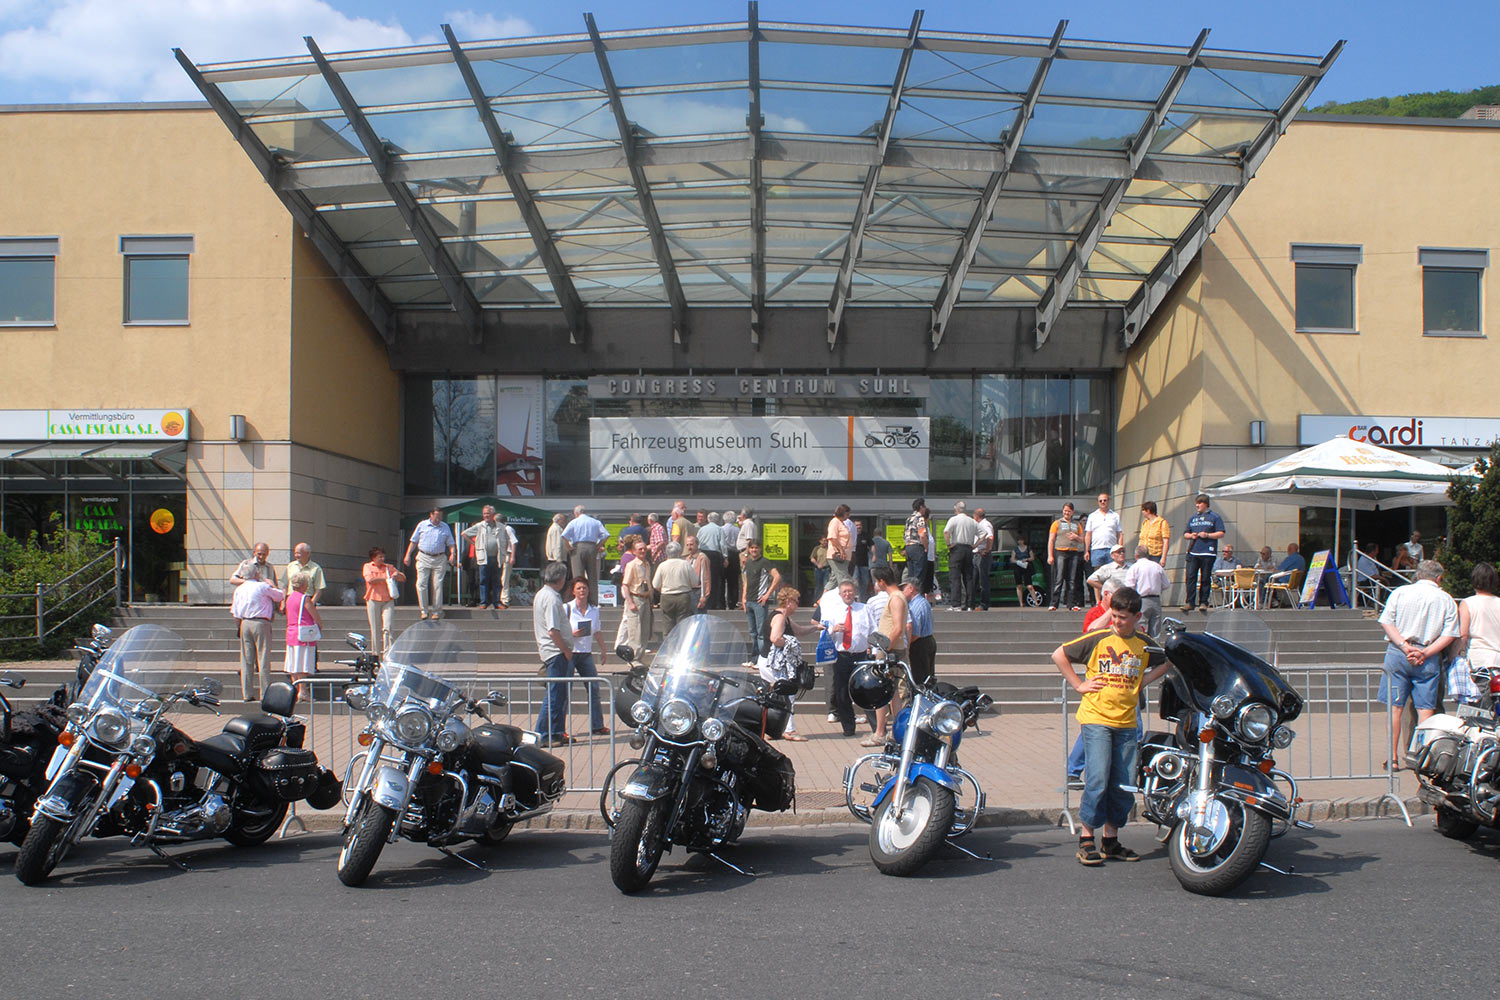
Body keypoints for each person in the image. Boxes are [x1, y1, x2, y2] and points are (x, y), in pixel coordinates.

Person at [1051, 586, 1170, 866]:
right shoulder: (1099, 638)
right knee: (1097, 779)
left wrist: (1142, 683)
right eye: (1114, 616)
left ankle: (1110, 840)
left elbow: (1167, 661)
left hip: (1127, 722)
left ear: (1137, 616)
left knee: (1124, 783)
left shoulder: (1144, 642)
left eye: (1123, 617)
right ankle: (1086, 839)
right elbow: (1059, 654)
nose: (1117, 622)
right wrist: (1079, 685)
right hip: (1097, 719)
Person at [1378, 560, 1460, 769]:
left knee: (1395, 708)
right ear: (1439, 578)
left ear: (1418, 574)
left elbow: (1387, 621)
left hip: (1398, 653)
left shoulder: (1400, 592)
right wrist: (1426, 652)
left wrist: (1405, 646)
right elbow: (1450, 634)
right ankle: (1423, 757)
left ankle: (1393, 757)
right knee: (1426, 709)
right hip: (1428, 655)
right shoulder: (1446, 599)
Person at [537, 578, 608, 743]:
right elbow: (557, 629)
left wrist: (603, 649)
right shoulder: (566, 608)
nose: (582, 591)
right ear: (573, 591)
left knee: (594, 688)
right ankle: (560, 730)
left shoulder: (594, 610)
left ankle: (597, 725)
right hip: (570, 653)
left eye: (585, 588)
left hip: (586, 653)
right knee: (563, 693)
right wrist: (572, 634)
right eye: (579, 588)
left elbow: (597, 631)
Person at [761, 586, 819, 742]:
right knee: (788, 693)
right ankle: (789, 731)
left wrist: (816, 627)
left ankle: (773, 729)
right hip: (773, 663)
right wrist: (791, 643)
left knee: (777, 695)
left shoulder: (784, 617)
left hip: (768, 662)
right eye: (796, 601)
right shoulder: (780, 618)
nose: (798, 604)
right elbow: (775, 638)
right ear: (788, 602)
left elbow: (799, 630)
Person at [817, 578, 869, 739]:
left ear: (855, 593)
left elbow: (873, 629)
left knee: (865, 691)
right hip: (841, 655)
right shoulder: (833, 610)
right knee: (841, 693)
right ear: (840, 594)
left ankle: (875, 727)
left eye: (850, 591)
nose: (847, 594)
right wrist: (833, 629)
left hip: (861, 655)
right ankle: (848, 726)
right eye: (844, 592)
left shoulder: (864, 609)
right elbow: (823, 633)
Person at [531, 562, 575, 748]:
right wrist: (565, 650)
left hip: (553, 651)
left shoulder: (544, 594)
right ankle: (543, 734)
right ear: (561, 579)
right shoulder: (551, 598)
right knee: (554, 695)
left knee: (559, 695)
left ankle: (556, 732)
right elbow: (553, 630)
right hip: (555, 652)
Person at [866, 565, 909, 746]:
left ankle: (880, 732)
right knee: (892, 695)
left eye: (877, 581)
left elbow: (898, 628)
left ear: (881, 581)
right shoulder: (895, 597)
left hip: (890, 652)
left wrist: (885, 649)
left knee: (881, 693)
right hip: (890, 650)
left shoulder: (897, 598)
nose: (877, 584)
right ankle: (892, 733)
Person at [230, 575, 283, 702]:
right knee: (263, 658)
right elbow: (280, 596)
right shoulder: (263, 586)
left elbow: (235, 612)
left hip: (245, 623)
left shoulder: (239, 589)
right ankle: (264, 693)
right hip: (261, 622)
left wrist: (239, 627)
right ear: (256, 575)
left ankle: (247, 694)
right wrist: (272, 584)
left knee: (246, 660)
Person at [1457, 563, 1500, 704]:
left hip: (1479, 661)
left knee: (1478, 707)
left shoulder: (1468, 603)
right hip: (1498, 659)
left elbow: (1463, 634)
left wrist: (1453, 656)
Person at [404, 507, 456, 620]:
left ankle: (437, 611)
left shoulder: (445, 527)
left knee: (437, 585)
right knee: (421, 583)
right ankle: (424, 610)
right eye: (436, 516)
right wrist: (408, 555)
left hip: (439, 557)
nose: (438, 519)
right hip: (423, 556)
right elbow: (413, 541)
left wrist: (453, 554)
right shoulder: (422, 525)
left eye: (440, 517)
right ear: (431, 515)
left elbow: (451, 543)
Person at [281, 571, 321, 704]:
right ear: (304, 584)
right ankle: (303, 691)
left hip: (291, 632)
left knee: (293, 663)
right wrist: (320, 625)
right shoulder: (305, 598)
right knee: (302, 663)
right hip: (304, 633)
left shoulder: (289, 598)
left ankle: (296, 689)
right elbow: (314, 614)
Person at [1181, 494, 1225, 612]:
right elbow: (1185, 534)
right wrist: (1191, 535)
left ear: (1205, 504)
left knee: (1205, 578)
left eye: (1199, 503)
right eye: (1196, 503)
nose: (1197, 505)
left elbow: (1221, 533)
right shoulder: (1193, 518)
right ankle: (1190, 602)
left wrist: (1208, 535)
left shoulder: (1215, 517)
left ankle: (1203, 602)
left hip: (1208, 552)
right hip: (1193, 552)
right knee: (1190, 577)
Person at [462, 505, 511, 610]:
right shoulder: (480, 526)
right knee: (483, 580)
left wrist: (504, 549)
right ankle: (483, 602)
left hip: (496, 557)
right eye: (484, 514)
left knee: (497, 581)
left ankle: (497, 602)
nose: (486, 516)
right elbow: (465, 534)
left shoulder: (501, 527)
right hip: (484, 557)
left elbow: (508, 539)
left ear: (493, 514)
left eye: (488, 514)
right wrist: (475, 544)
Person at [361, 546, 405, 656]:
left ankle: (388, 654)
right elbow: (370, 579)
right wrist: (386, 577)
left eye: (383, 556)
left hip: (388, 600)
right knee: (375, 628)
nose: (382, 559)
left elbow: (403, 578)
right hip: (373, 599)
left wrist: (396, 575)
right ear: (373, 558)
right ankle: (376, 655)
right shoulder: (368, 566)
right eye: (379, 557)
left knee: (388, 627)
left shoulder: (389, 567)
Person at [741, 538, 780, 660]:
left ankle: (763, 659)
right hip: (749, 601)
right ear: (749, 549)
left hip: (759, 603)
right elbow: (746, 581)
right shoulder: (748, 562)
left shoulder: (765, 562)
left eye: (756, 547)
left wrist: (767, 595)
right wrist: (743, 598)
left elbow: (777, 576)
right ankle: (755, 659)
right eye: (752, 547)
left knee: (761, 633)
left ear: (760, 549)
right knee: (753, 633)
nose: (754, 550)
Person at [563, 504, 609, 604]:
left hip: (578, 547)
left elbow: (564, 536)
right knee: (592, 577)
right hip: (592, 547)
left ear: (576, 513)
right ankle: (593, 602)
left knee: (578, 576)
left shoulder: (574, 522)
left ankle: (578, 601)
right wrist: (598, 545)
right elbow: (606, 535)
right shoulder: (595, 522)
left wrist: (569, 547)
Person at [652, 541, 697, 639]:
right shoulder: (685, 564)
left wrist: (662, 590)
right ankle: (682, 649)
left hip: (666, 596)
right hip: (683, 596)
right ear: (679, 552)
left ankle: (669, 649)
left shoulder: (662, 565)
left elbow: (655, 584)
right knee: (683, 625)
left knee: (668, 626)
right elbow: (695, 582)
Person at [618, 538, 654, 654]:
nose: (643, 551)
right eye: (640, 549)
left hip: (646, 599)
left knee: (644, 630)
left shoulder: (647, 564)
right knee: (635, 631)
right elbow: (625, 585)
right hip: (635, 599)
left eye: (644, 548)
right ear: (634, 551)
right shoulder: (631, 565)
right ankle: (634, 658)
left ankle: (640, 656)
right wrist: (630, 602)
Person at [1048, 502, 1085, 611]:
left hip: (1073, 552)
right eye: (1065, 511)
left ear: (1072, 512)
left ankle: (1071, 603)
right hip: (1060, 551)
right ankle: (1054, 603)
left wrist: (1076, 537)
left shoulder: (1076, 524)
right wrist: (1050, 555)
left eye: (1069, 511)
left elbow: (1083, 540)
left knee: (1072, 579)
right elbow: (1051, 540)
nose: (1066, 513)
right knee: (1059, 578)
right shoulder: (1057, 523)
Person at [1124, 545, 1168, 636]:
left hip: (1141, 599)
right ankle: (1155, 648)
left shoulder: (1135, 567)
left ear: (1136, 555)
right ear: (1148, 555)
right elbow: (1166, 584)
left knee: (1141, 627)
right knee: (1155, 630)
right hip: (1156, 599)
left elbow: (1129, 586)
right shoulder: (1157, 566)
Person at [944, 501, 979, 611]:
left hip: (957, 548)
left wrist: (949, 544)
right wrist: (974, 545)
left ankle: (956, 604)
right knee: (968, 577)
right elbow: (984, 534)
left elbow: (946, 532)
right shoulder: (972, 521)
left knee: (955, 577)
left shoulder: (953, 519)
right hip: (968, 549)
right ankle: (970, 604)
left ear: (956, 509)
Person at [902, 578, 936, 686]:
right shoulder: (923, 602)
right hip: (929, 640)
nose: (902, 592)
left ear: (911, 588)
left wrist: (907, 645)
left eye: (904, 588)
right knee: (928, 675)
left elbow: (915, 633)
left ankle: (922, 700)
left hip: (920, 644)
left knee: (920, 677)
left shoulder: (915, 606)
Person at [1084, 492, 1123, 569]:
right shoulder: (1092, 516)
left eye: (1105, 500)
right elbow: (1088, 535)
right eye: (1100, 501)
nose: (1103, 502)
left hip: (1112, 549)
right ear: (1098, 502)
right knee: (1098, 575)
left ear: (1109, 501)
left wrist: (1120, 549)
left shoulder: (1115, 516)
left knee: (1112, 574)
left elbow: (1120, 534)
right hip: (1096, 549)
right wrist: (1086, 551)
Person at [697, 511, 726, 609]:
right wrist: (725, 556)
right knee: (714, 579)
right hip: (714, 554)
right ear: (718, 520)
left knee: (703, 577)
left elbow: (698, 541)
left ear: (708, 519)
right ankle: (713, 602)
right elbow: (722, 544)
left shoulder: (702, 529)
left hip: (703, 552)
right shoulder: (719, 529)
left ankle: (703, 599)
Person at [825, 503, 853, 590]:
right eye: (847, 514)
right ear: (842, 513)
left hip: (843, 556)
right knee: (843, 578)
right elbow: (832, 538)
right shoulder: (835, 522)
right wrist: (841, 550)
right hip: (837, 555)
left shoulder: (841, 523)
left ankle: (820, 601)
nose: (848, 516)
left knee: (833, 581)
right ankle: (845, 599)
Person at [903, 497, 928, 587]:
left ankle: (911, 597)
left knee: (911, 576)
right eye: (924, 506)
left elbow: (905, 535)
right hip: (917, 547)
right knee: (919, 577)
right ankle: (918, 597)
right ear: (921, 507)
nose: (925, 509)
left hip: (908, 547)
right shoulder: (920, 518)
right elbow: (922, 535)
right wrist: (926, 548)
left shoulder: (909, 519)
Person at [973, 508, 995, 611]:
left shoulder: (985, 524)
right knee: (974, 579)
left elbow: (990, 537)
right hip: (977, 554)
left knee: (983, 580)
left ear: (977, 516)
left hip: (982, 555)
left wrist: (987, 550)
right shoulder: (980, 525)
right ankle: (972, 603)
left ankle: (984, 603)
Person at [1013, 537, 1042, 607]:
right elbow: (1012, 559)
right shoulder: (1015, 550)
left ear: (1023, 541)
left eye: (1021, 540)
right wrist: (1017, 561)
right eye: (1019, 540)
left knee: (1029, 586)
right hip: (1018, 567)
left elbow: (1032, 557)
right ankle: (1021, 603)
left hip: (1026, 566)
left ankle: (1036, 602)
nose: (1020, 541)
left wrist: (1026, 559)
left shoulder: (1028, 548)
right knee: (1019, 585)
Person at [685, 534, 710, 612]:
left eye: (691, 544)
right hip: (688, 591)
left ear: (697, 544)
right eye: (687, 545)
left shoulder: (702, 557)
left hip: (698, 592)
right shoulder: (687, 559)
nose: (689, 547)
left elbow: (705, 578)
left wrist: (704, 597)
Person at [721, 509, 741, 608]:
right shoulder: (738, 530)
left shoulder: (721, 529)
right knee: (733, 581)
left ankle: (722, 602)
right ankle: (733, 602)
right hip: (735, 554)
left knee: (722, 580)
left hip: (724, 554)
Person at [853, 520, 874, 600]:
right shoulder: (851, 535)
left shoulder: (865, 535)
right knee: (855, 582)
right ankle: (856, 598)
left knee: (865, 582)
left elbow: (872, 545)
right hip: (854, 563)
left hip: (864, 563)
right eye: (857, 525)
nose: (859, 526)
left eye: (860, 525)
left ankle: (863, 600)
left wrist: (874, 555)